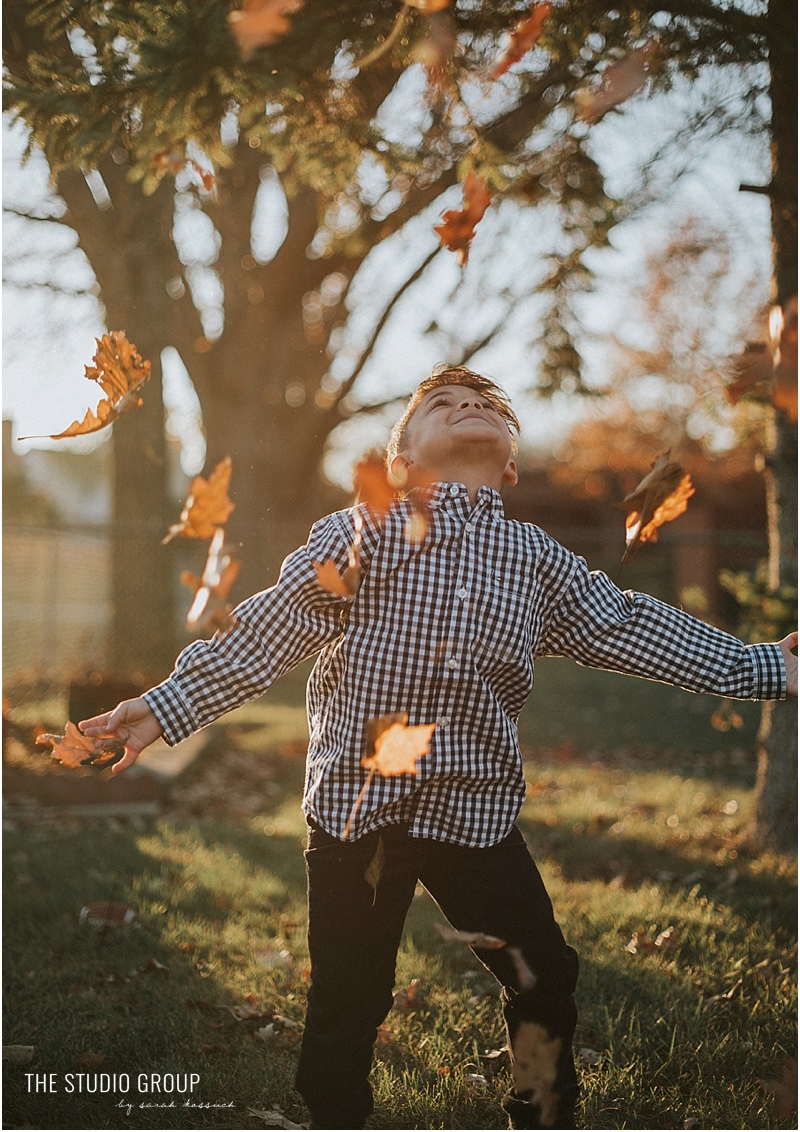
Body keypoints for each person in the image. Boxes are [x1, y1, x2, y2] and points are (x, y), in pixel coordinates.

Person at [80, 366, 798, 1131]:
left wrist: (765, 666)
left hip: (475, 816)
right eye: (444, 405)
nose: (469, 407)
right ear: (402, 463)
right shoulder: (363, 532)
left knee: (544, 973)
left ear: (510, 464)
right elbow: (265, 631)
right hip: (358, 818)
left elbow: (631, 626)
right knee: (349, 1000)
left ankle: (542, 1111)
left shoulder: (536, 559)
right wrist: (164, 705)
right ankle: (335, 1117)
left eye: (485, 405)